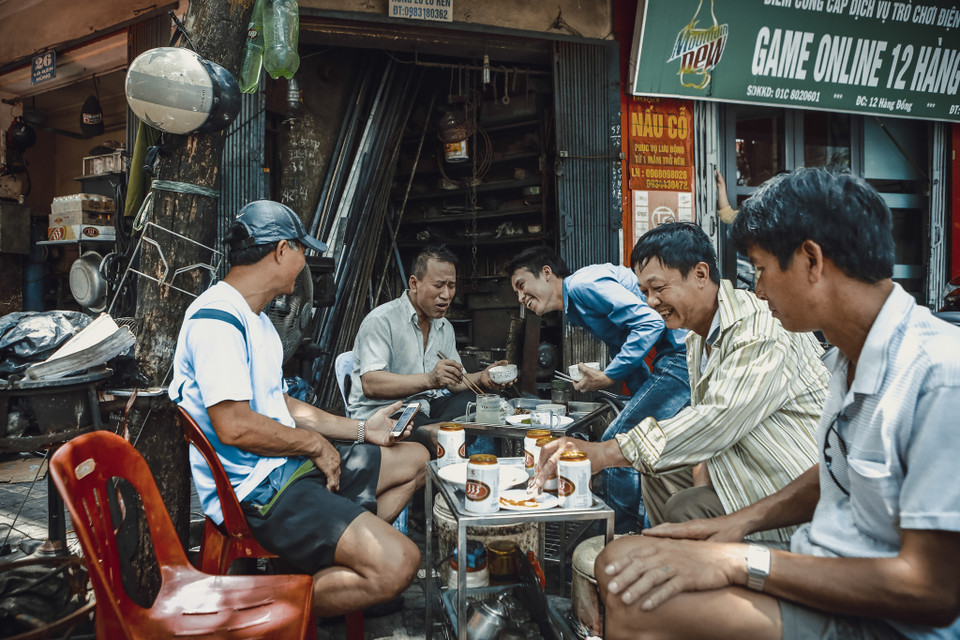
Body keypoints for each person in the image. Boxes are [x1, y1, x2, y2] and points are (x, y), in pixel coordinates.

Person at [595, 169, 960, 639]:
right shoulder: (845, 358)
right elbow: (838, 470)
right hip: (816, 565)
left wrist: (742, 561)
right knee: (620, 562)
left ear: (812, 260)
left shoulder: (937, 375)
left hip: (879, 620)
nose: (759, 289)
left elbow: (931, 591)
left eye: (762, 270)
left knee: (639, 599)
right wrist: (736, 525)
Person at [169, 200, 427, 617]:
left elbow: (282, 405)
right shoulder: (217, 321)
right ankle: (256, 615)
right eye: (303, 251)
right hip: (260, 490)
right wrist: (313, 445)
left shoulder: (257, 321)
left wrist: (364, 430)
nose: (305, 262)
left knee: (416, 459)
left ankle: (338, 557)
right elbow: (234, 426)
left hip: (287, 467)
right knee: (398, 564)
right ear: (281, 250)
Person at [533, 223, 829, 543]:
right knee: (656, 469)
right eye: (644, 292)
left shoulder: (755, 326)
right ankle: (669, 548)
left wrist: (603, 453)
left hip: (796, 488)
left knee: (682, 504)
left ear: (701, 274)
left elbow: (717, 421)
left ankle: (683, 556)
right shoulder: (695, 342)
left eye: (658, 288)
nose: (650, 302)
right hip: (750, 460)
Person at [506, 246, 689, 532]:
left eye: (521, 286)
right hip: (675, 356)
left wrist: (607, 377)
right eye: (516, 294)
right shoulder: (574, 308)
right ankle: (636, 523)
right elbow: (623, 342)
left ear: (546, 273)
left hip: (682, 355)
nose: (520, 298)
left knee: (617, 437)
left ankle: (619, 531)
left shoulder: (582, 285)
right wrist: (637, 399)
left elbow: (650, 322)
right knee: (638, 435)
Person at [348, 245, 507, 454]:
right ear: (414, 283)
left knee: (478, 404)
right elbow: (371, 384)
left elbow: (455, 382)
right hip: (387, 413)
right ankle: (434, 433)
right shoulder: (381, 321)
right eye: (438, 285)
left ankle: (434, 431)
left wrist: (482, 378)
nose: (446, 294)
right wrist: (430, 380)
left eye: (451, 286)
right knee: (449, 427)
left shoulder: (444, 327)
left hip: (426, 408)